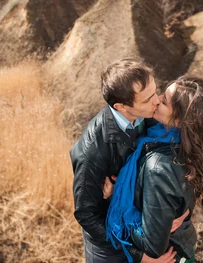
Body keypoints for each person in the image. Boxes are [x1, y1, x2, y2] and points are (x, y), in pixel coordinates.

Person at [106, 76, 203, 263]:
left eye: (164, 102)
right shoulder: (192, 146)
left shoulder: (159, 167)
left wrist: (120, 203)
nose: (157, 100)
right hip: (180, 247)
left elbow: (152, 245)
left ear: (180, 119)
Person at [70, 59, 177, 263]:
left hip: (140, 227)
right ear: (121, 106)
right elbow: (86, 214)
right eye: (147, 99)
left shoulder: (148, 115)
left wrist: (162, 217)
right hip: (110, 246)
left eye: (156, 91)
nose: (157, 100)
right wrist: (139, 257)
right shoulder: (93, 149)